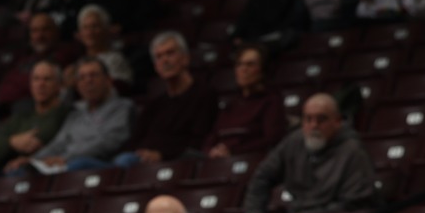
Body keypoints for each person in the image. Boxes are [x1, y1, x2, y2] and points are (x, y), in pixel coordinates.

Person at [242, 94, 377, 213]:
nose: (314, 125)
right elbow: (262, 176)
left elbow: (356, 203)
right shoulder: (293, 142)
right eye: (308, 119)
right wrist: (254, 212)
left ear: (337, 121)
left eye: (321, 119)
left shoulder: (352, 151)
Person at [117, 33, 217, 165]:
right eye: (159, 57)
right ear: (155, 67)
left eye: (170, 53)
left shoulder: (204, 95)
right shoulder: (155, 105)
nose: (165, 60)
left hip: (174, 163)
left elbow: (197, 141)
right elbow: (135, 140)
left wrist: (161, 154)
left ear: (185, 58)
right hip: (139, 160)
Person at [20, 59, 133, 174]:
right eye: (82, 78)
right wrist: (33, 160)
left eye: (93, 75)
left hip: (101, 164)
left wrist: (67, 158)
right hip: (64, 162)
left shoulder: (122, 107)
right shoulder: (75, 113)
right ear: (77, 85)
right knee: (20, 171)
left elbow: (108, 142)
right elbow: (58, 143)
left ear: (108, 80)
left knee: (80, 164)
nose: (88, 81)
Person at [0, 61, 70, 175]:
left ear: (59, 85)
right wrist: (12, 142)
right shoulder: (21, 116)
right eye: (36, 79)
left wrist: (9, 142)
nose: (41, 84)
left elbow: (36, 141)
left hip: (45, 170)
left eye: (47, 79)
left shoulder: (65, 113)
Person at [204, 43, 284, 158]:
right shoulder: (231, 104)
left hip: (249, 161)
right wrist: (210, 151)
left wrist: (234, 151)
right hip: (219, 161)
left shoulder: (271, 100)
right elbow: (213, 136)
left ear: (262, 69)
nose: (243, 69)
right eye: (239, 64)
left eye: (250, 64)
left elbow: (272, 140)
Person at [0, 13, 76, 105]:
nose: (39, 36)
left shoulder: (66, 54)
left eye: (45, 30)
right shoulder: (25, 59)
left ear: (56, 32)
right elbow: (4, 87)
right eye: (34, 31)